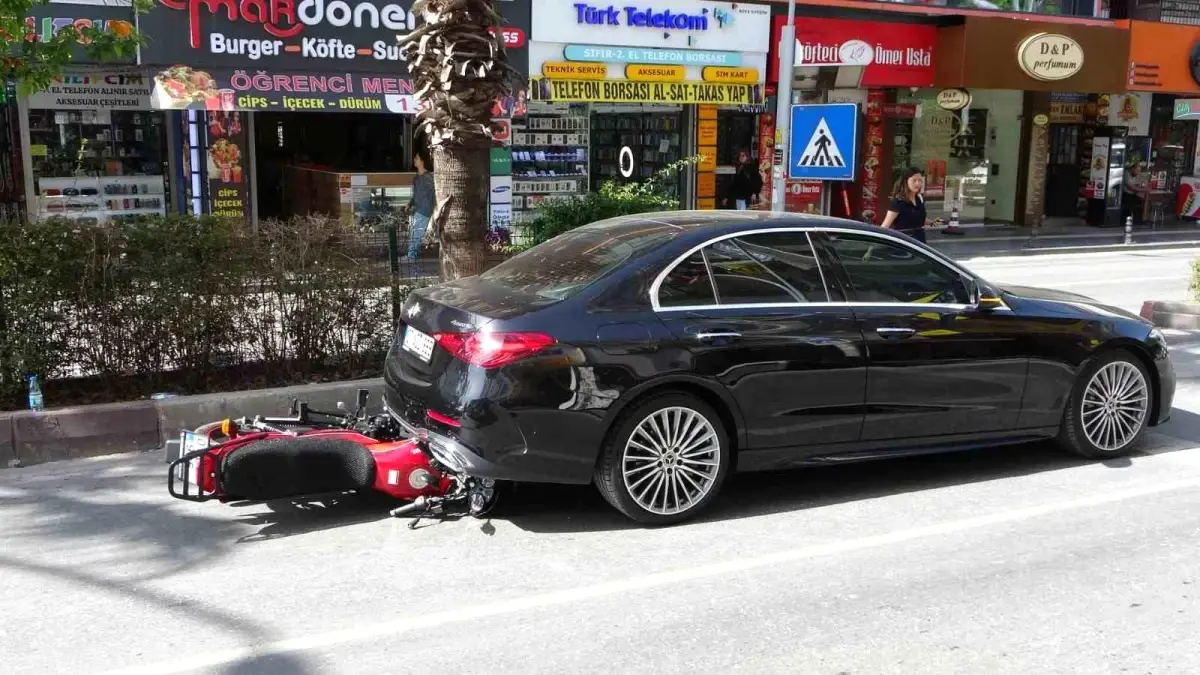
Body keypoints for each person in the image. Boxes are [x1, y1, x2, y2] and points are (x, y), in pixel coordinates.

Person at [880, 167, 943, 243]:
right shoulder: (897, 202)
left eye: (920, 180)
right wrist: (871, 249)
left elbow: (917, 218)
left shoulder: (919, 198)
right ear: (905, 181)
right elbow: (885, 227)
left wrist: (932, 222)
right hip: (904, 244)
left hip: (920, 242)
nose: (918, 183)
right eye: (914, 180)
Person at [407, 148, 435, 260]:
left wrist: (431, 209)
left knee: (416, 234)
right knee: (414, 233)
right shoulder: (417, 178)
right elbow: (415, 194)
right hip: (417, 209)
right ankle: (414, 255)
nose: (414, 160)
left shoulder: (428, 178)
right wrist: (410, 204)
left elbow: (433, 195)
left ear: (422, 161)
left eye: (417, 158)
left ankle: (411, 256)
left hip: (424, 210)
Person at [1122, 162, 1149, 226]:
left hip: (1132, 194)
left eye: (1139, 171)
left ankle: (1139, 221)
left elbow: (1138, 184)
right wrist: (1144, 189)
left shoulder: (1134, 175)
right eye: (1137, 171)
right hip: (1126, 195)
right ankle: (1134, 222)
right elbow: (1131, 188)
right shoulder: (1126, 174)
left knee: (1140, 202)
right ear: (1132, 169)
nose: (1138, 173)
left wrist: (1141, 186)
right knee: (1134, 205)